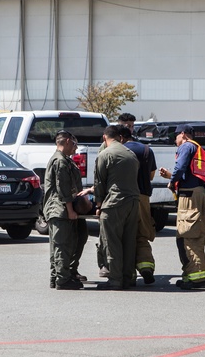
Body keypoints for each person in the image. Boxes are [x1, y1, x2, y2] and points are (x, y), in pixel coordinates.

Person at [158, 124, 205, 290]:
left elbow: (180, 168)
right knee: (197, 234)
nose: (175, 140)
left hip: (189, 197)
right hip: (199, 194)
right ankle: (193, 274)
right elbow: (190, 173)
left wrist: (172, 181)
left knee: (188, 234)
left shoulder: (185, 146)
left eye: (176, 136)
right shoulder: (198, 148)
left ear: (183, 134)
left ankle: (196, 277)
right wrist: (171, 176)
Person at [94, 125, 141, 289]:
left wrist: (99, 205)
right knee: (129, 242)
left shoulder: (105, 154)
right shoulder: (131, 154)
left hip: (114, 203)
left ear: (104, 137)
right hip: (134, 203)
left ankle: (115, 280)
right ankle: (128, 278)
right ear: (120, 138)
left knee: (112, 242)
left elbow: (99, 182)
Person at [43, 130, 89, 290]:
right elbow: (63, 189)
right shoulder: (60, 161)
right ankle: (62, 280)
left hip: (60, 208)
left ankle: (57, 277)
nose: (76, 148)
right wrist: (70, 209)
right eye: (75, 144)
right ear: (68, 141)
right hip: (60, 209)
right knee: (62, 245)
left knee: (59, 244)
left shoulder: (63, 160)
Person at [118, 124, 157, 283]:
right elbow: (152, 176)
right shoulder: (147, 150)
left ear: (120, 138)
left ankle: (130, 274)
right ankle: (146, 267)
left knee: (126, 234)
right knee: (142, 234)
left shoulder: (120, 151)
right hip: (143, 197)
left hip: (124, 197)